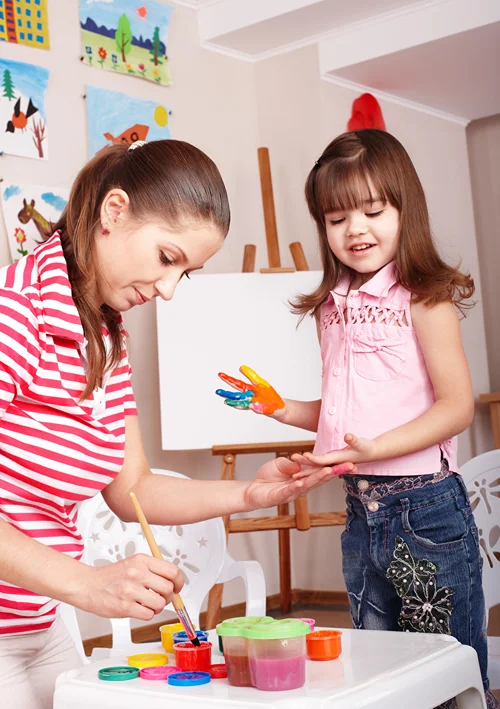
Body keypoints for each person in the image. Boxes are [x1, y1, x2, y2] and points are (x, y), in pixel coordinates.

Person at [0, 139, 355, 709]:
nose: (167, 290)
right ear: (113, 212)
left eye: (184, 274)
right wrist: (90, 583)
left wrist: (251, 492)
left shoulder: (108, 338)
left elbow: (132, 487)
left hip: (38, 626)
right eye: (168, 259)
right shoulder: (13, 313)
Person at [217, 129, 497, 708]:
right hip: (360, 512)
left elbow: (455, 406)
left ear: (404, 208)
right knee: (379, 660)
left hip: (425, 509)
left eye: (373, 210)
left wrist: (375, 449)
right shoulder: (331, 308)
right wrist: (279, 407)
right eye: (336, 217)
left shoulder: (424, 297)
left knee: (447, 661)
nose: (355, 230)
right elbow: (346, 418)